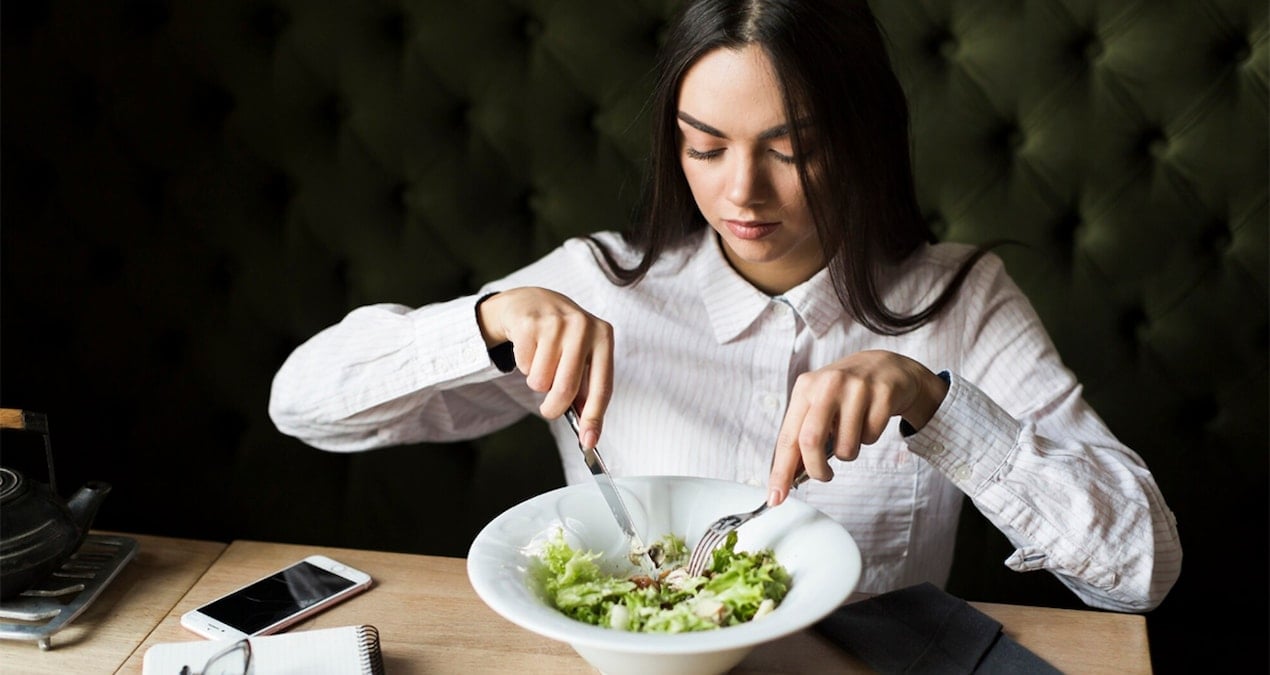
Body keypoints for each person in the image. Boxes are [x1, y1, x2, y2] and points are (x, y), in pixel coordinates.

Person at [269, 0, 1180, 612]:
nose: (743, 193)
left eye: (792, 151)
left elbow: (1143, 570)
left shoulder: (960, 296)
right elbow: (302, 404)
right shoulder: (604, 280)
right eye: (706, 148)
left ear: (861, 142)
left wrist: (936, 405)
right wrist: (490, 321)